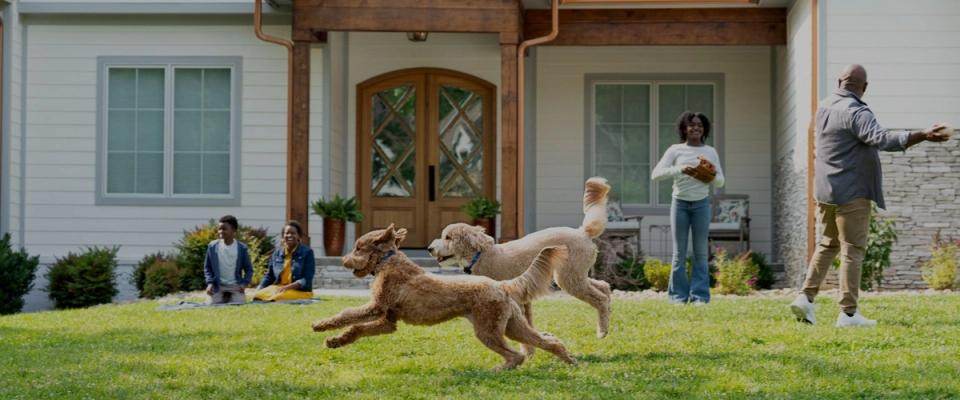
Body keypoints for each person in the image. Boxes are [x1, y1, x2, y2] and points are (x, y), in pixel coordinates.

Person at [790, 64, 949, 327]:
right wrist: (922, 135)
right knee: (853, 249)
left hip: (825, 189)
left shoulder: (824, 106)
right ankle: (848, 313)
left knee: (828, 244)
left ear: (839, 81)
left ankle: (805, 298)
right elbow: (882, 138)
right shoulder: (856, 111)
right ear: (864, 88)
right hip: (852, 191)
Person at [652, 111, 725, 305]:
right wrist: (680, 169)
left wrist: (709, 173)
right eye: (691, 125)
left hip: (702, 205)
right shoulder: (675, 150)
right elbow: (656, 175)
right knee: (679, 253)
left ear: (704, 129)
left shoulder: (710, 152)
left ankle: (700, 297)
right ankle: (678, 297)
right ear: (684, 128)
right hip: (680, 205)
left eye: (700, 125)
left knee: (701, 252)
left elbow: (720, 182)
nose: (696, 128)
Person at [253, 220, 316, 301]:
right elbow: (269, 276)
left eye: (293, 233)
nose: (289, 235)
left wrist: (288, 287)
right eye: (286, 233)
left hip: (300, 291)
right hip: (279, 288)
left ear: (298, 236)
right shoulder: (277, 253)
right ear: (283, 236)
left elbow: (307, 278)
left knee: (277, 298)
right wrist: (259, 288)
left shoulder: (307, 252)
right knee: (258, 296)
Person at [204, 215, 254, 304]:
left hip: (235, 285)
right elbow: (207, 267)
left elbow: (249, 269)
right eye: (219, 229)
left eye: (224, 229)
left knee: (238, 304)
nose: (220, 231)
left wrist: (244, 284)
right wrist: (210, 283)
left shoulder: (242, 248)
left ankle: (229, 296)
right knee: (211, 304)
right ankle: (224, 296)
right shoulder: (212, 247)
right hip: (218, 285)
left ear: (234, 230)